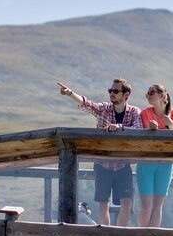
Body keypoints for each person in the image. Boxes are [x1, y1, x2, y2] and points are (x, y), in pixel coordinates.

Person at [56, 78, 144, 226]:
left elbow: (138, 129)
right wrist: (70, 93)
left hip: (123, 164)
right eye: (110, 91)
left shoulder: (134, 112)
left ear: (126, 94)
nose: (112, 94)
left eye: (116, 91)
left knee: (127, 205)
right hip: (102, 164)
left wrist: (119, 127)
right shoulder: (104, 109)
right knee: (103, 205)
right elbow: (87, 104)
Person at [135, 84, 173, 228]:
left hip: (166, 163)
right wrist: (150, 129)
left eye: (151, 92)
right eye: (147, 93)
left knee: (158, 207)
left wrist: (170, 125)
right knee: (147, 206)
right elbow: (143, 135)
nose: (148, 95)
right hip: (146, 162)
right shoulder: (145, 113)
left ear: (162, 95)